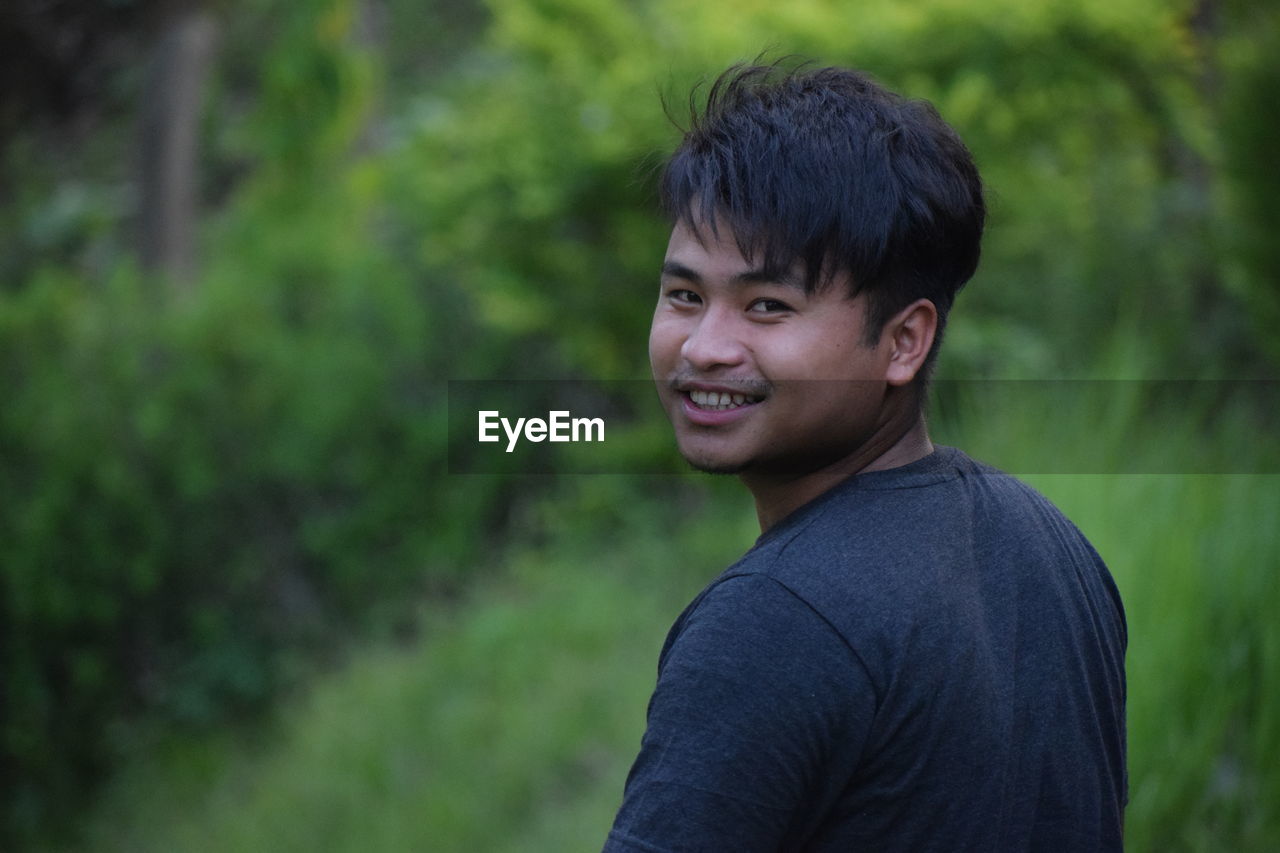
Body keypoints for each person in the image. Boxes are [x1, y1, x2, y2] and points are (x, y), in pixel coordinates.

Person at [602, 63, 1127, 852]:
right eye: (684, 296)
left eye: (768, 306)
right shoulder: (1055, 548)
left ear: (903, 340)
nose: (704, 347)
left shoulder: (774, 620)